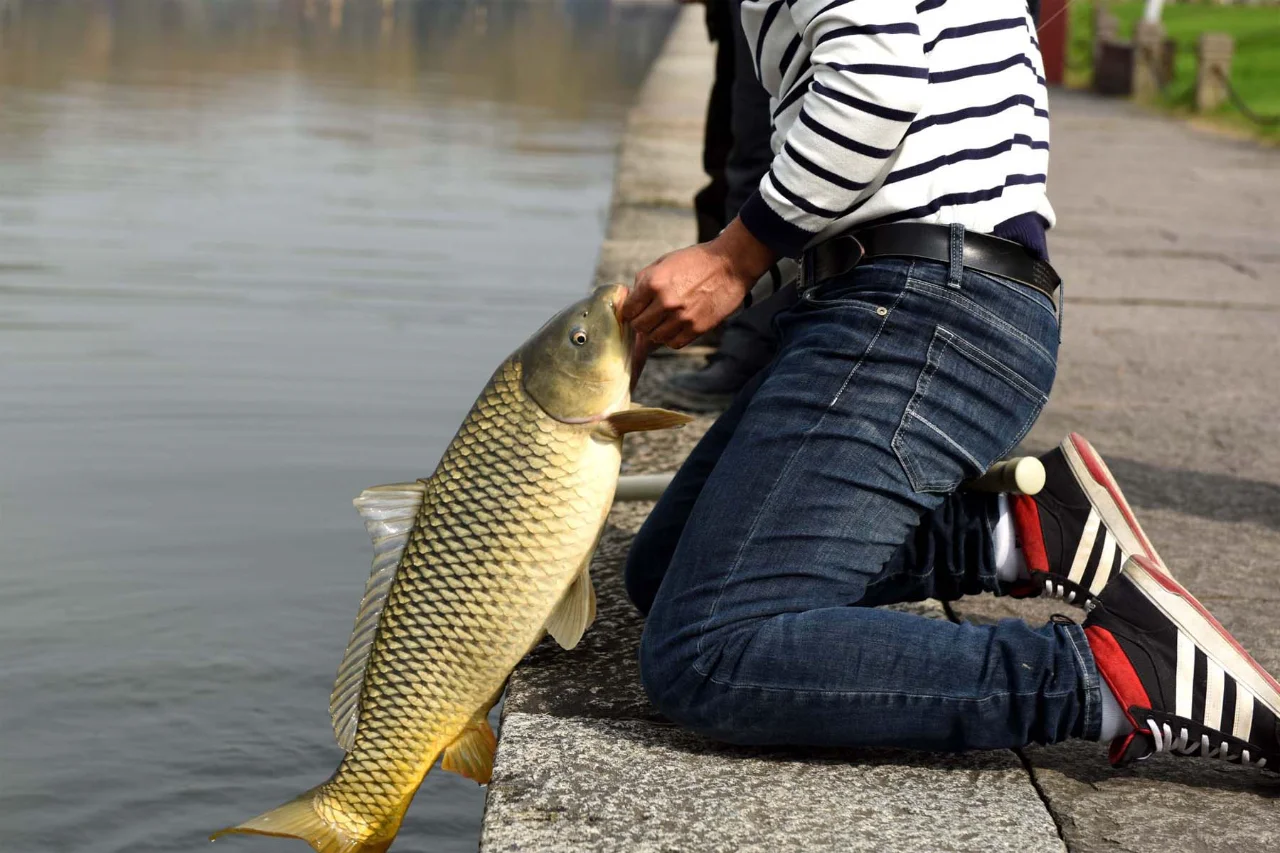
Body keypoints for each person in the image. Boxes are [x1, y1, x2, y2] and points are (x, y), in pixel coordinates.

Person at [619, 0, 1279, 772]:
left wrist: (733, 259)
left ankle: (1116, 675)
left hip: (918, 310)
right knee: (665, 571)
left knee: (706, 650)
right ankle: (1016, 531)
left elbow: (877, 77)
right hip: (945, 295)